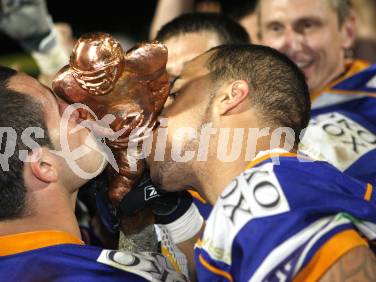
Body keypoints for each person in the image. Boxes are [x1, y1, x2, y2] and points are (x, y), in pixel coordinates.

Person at [145, 44, 376, 281]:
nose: (157, 113)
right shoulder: (282, 182)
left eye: (175, 94)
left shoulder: (261, 191)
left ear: (230, 96)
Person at [0, 65, 186, 282]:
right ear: (43, 167)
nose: (78, 110)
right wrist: (183, 223)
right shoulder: (119, 277)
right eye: (60, 109)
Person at [258, 0, 376, 185]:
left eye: (307, 25)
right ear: (259, 40)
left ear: (348, 31)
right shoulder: (246, 109)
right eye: (276, 28)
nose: (292, 45)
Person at [155, 13, 250, 218]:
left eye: (192, 78)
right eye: (166, 80)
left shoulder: (284, 174)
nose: (170, 94)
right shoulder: (151, 189)